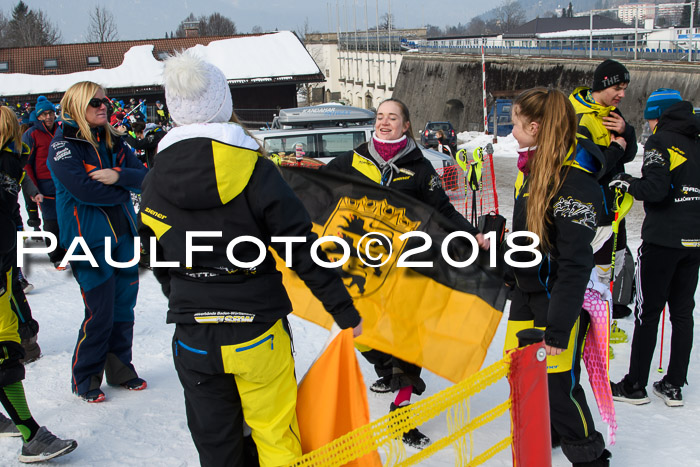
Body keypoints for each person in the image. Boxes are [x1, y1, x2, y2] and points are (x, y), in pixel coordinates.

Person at [138, 51, 362, 467]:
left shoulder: (153, 180)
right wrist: (343, 309)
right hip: (257, 331)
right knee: (276, 439)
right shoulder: (256, 170)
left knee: (216, 447)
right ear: (224, 105)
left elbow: (154, 253)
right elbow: (301, 247)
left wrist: (186, 291)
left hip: (194, 335)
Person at [324, 97, 488, 449]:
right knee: (361, 330)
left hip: (409, 265)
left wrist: (470, 233)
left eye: (392, 117)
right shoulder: (351, 161)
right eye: (380, 116)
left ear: (406, 125)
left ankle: (402, 411)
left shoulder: (419, 167)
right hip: (364, 265)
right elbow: (316, 190)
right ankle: (385, 368)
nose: (384, 122)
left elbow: (441, 208)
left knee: (408, 341)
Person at [503, 88, 610, 466]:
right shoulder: (531, 168)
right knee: (518, 371)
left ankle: (588, 452)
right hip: (527, 293)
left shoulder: (574, 184)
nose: (511, 132)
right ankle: (543, 430)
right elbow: (530, 239)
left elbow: (574, 265)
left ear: (534, 126)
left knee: (556, 383)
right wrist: (506, 267)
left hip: (557, 302)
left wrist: (559, 329)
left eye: (514, 124)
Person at [47, 81, 149, 403]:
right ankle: (86, 375)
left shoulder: (115, 141)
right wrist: (124, 187)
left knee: (123, 308)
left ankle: (120, 369)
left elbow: (146, 177)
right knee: (100, 310)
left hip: (123, 237)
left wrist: (118, 176)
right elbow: (84, 191)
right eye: (94, 102)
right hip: (88, 242)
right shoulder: (63, 146)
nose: (103, 106)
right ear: (77, 106)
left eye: (105, 101)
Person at [610, 89, 700, 407]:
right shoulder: (696, 137)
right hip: (694, 241)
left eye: (649, 117)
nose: (647, 124)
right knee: (683, 314)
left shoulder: (661, 141)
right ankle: (674, 385)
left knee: (648, 314)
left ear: (657, 116)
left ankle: (635, 385)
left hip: (662, 241)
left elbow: (656, 190)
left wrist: (626, 182)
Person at [0, 105, 78, 462]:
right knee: (5, 349)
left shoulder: (13, 157)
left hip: (4, 255)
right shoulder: (12, 157)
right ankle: (31, 435)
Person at [569, 59, 637, 319]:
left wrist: (626, 132)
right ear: (603, 85)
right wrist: (616, 147)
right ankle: (585, 329)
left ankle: (602, 325)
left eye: (625, 89)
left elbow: (627, 156)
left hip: (613, 209)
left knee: (608, 273)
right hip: (590, 211)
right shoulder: (581, 118)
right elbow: (590, 168)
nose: (622, 94)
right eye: (617, 88)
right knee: (591, 278)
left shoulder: (611, 113)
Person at [22, 96, 67, 270]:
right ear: (38, 116)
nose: (49, 117)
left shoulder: (61, 130)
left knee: (66, 218)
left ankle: (67, 251)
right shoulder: (31, 134)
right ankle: (55, 255)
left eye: (51, 113)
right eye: (44, 114)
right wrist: (33, 188)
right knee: (51, 221)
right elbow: (26, 163)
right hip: (44, 183)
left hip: (62, 181)